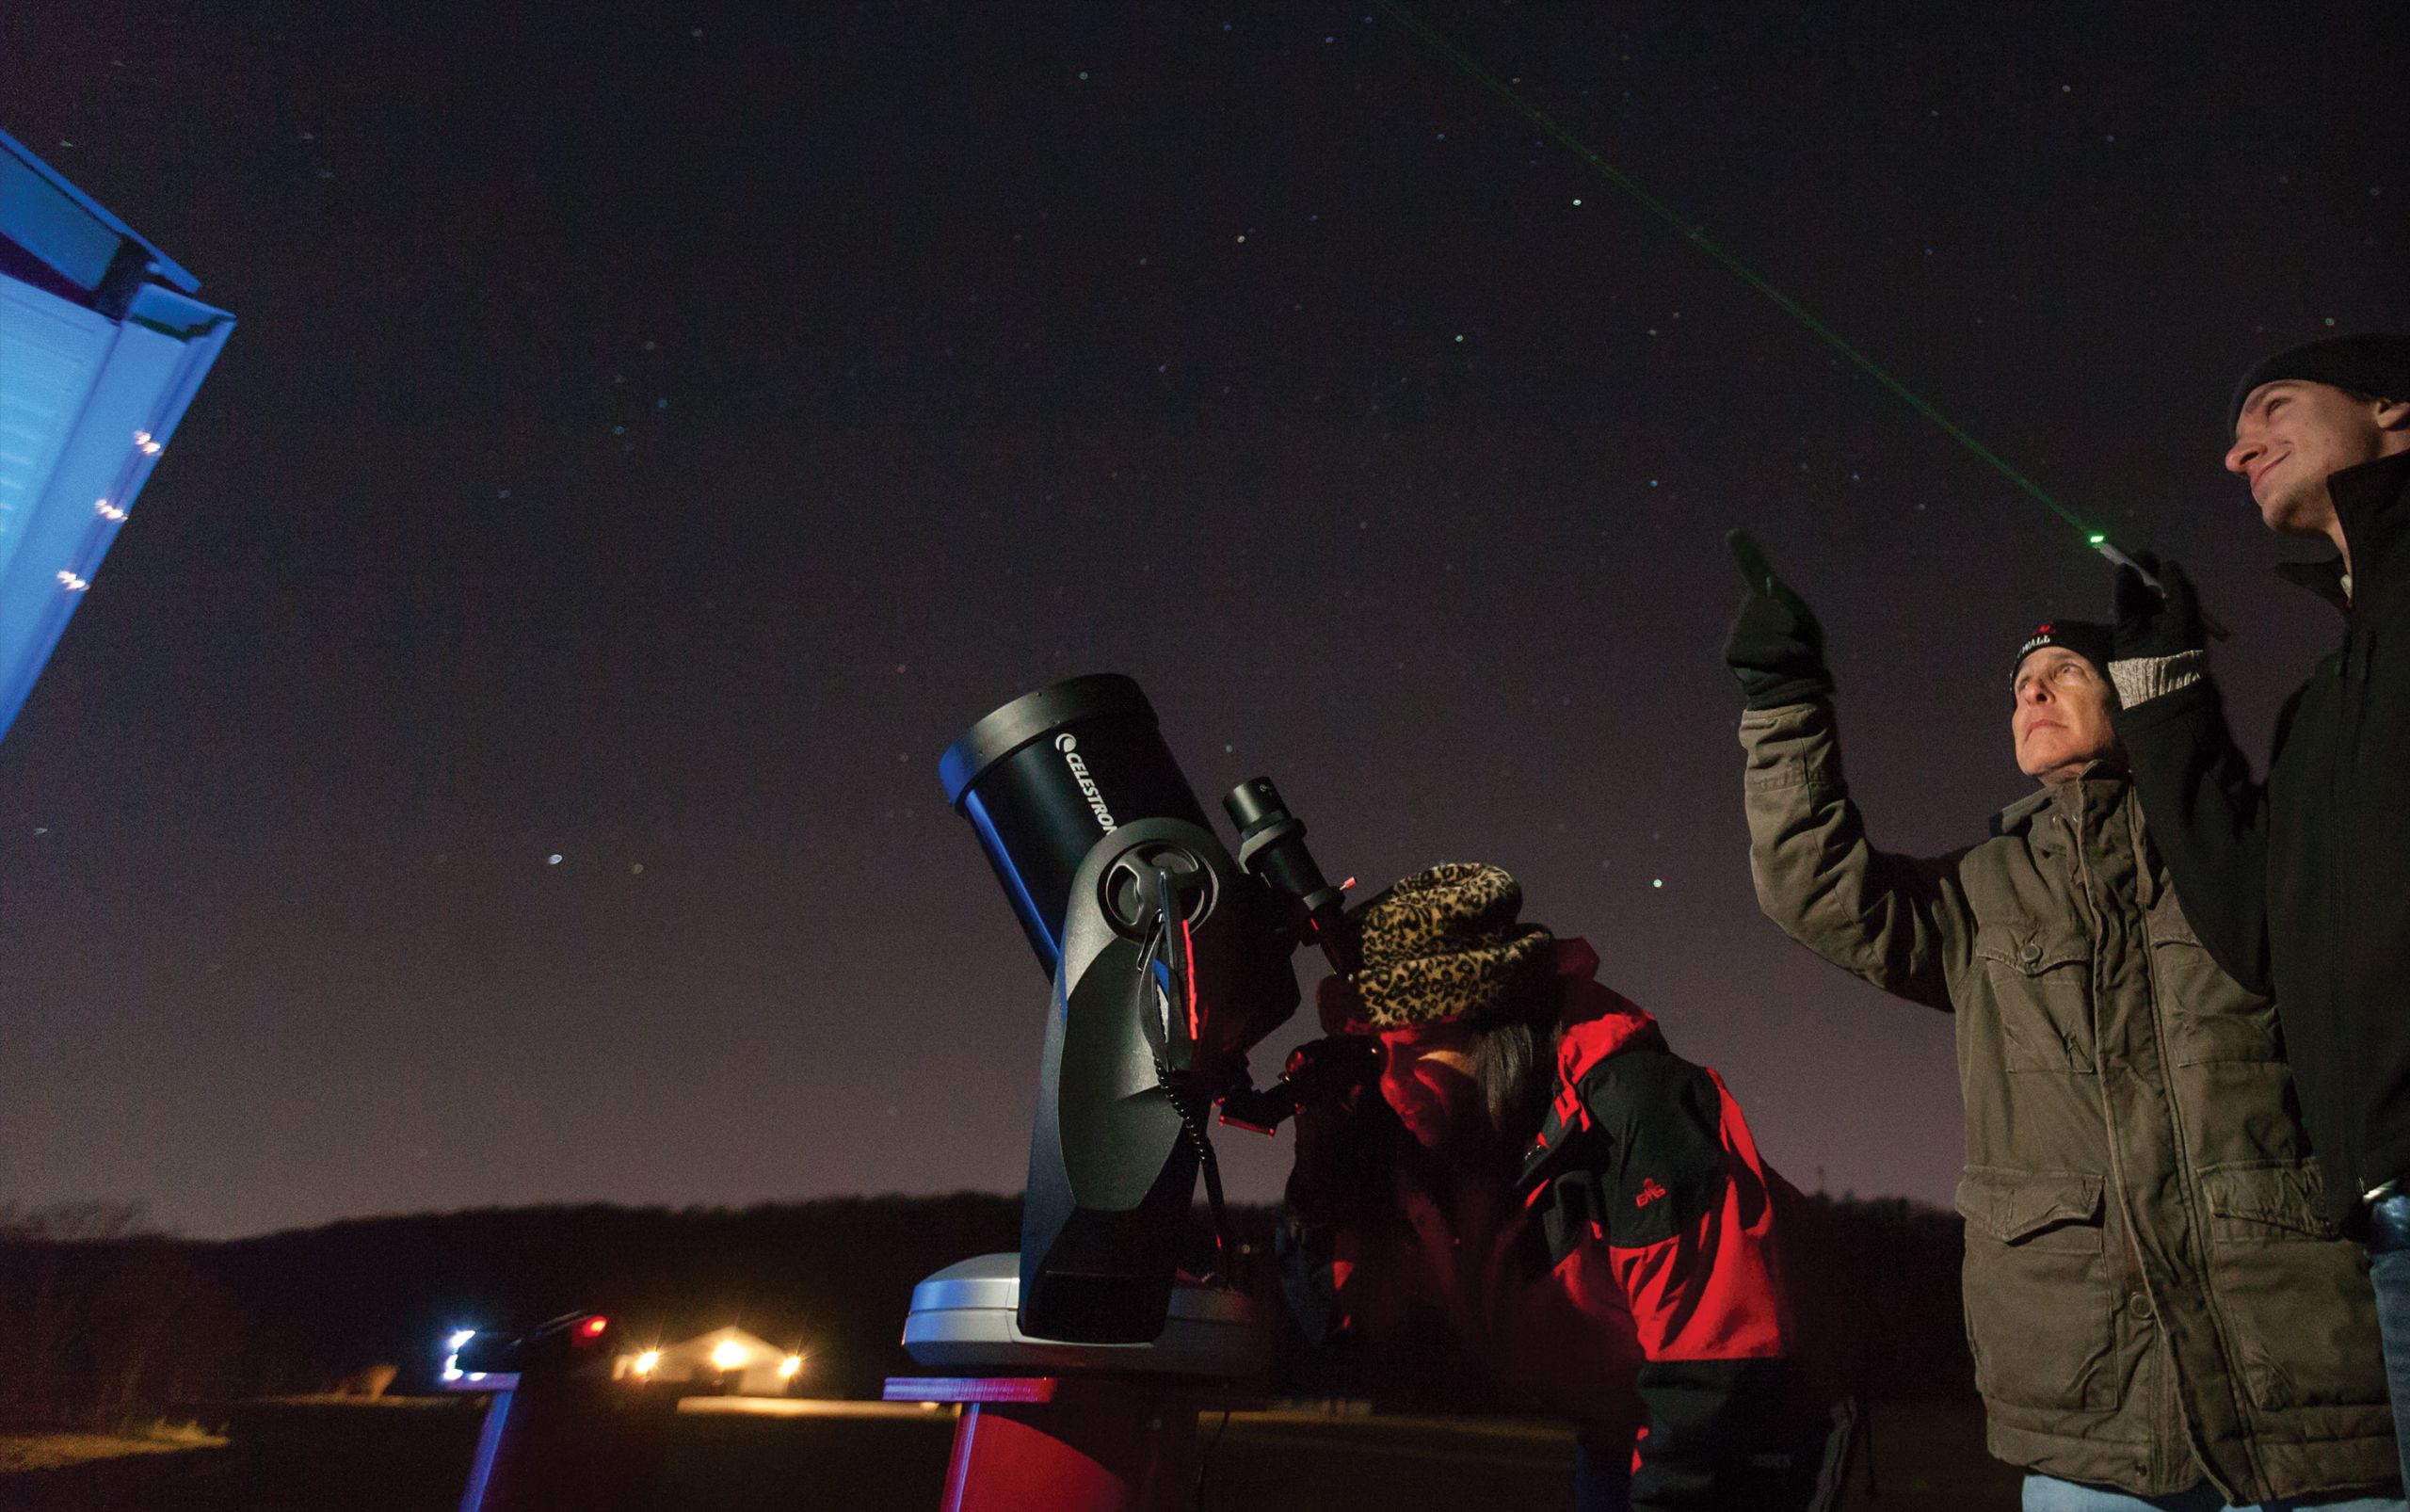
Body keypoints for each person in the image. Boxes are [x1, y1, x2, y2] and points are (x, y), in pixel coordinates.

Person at [1723, 529, 2399, 1510]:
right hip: (2093, 1421)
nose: (2029, 693)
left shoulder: (2246, 854)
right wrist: (1783, 704)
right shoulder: (1982, 890)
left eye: (2063, 671)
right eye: (2018, 684)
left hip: (2316, 1405)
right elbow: (1815, 889)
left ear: (2132, 691)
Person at [1278, 861, 1853, 1512]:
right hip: (1619, 1428)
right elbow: (1341, 1318)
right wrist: (1320, 1182)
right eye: (1381, 1056)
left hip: (1760, 1433)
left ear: (1495, 1029)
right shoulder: (1438, 1141)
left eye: (1417, 1049)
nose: (1394, 1084)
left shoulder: (1635, 1109)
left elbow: (1724, 1365)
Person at [2107, 332, 2410, 1481]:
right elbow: (2250, 928)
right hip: (2383, 1216)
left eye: (2273, 405)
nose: (2238, 451)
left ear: (2390, 401)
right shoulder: (2326, 702)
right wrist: (2163, 687)